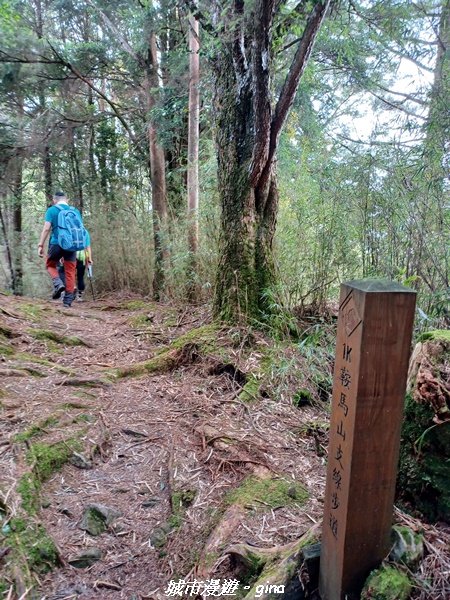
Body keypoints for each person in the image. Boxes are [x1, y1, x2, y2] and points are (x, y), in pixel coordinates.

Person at [37, 191, 84, 307]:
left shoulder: (51, 210)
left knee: (50, 265)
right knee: (70, 271)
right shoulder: (75, 211)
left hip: (56, 243)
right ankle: (67, 302)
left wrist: (41, 245)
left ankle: (58, 284)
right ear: (66, 200)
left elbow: (47, 228)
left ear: (54, 200)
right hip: (72, 245)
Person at [58, 233, 93, 302]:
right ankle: (79, 296)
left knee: (65, 272)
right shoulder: (85, 233)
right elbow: (88, 247)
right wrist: (89, 258)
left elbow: (65, 245)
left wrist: (61, 256)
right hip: (82, 257)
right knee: (80, 277)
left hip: (70, 256)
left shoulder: (70, 230)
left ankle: (71, 289)